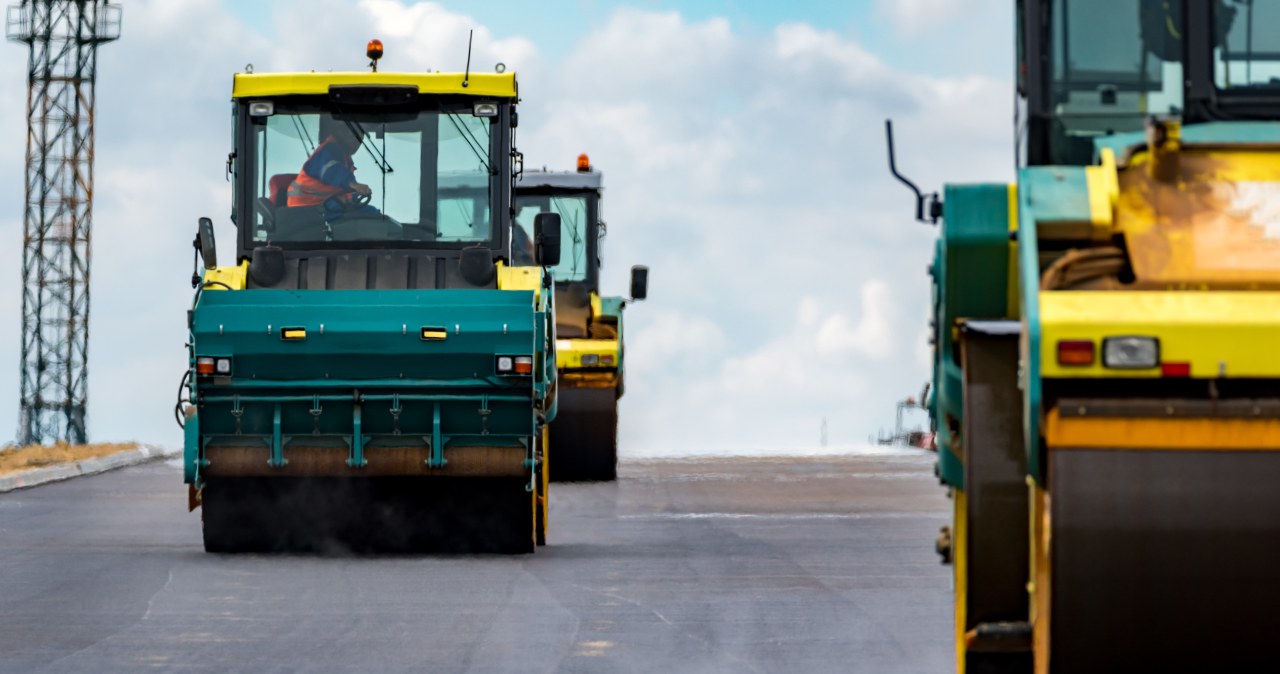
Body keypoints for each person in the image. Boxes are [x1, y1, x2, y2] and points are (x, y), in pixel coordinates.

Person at [286, 121, 380, 222]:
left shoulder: (344, 159)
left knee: (373, 215)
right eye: (353, 135)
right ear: (340, 132)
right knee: (365, 220)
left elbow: (340, 191)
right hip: (306, 211)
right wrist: (355, 185)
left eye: (361, 136)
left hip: (325, 207)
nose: (357, 141)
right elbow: (332, 172)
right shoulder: (328, 151)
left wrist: (354, 197)